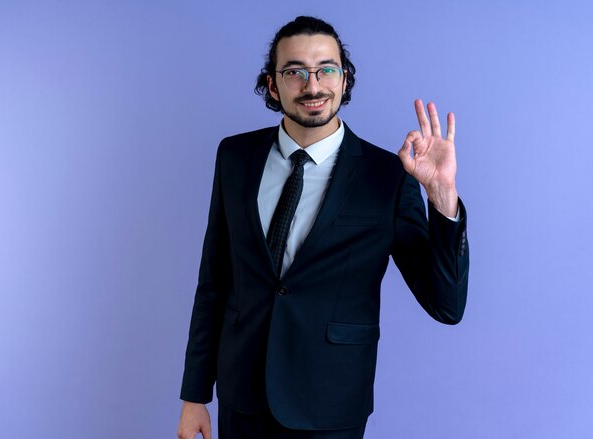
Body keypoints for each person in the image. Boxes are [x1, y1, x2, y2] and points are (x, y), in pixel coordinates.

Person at [177, 16, 469, 439]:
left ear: (344, 80)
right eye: (294, 71)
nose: (312, 85)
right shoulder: (235, 157)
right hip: (242, 397)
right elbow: (214, 283)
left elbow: (446, 305)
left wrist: (442, 197)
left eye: (326, 69)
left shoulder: (387, 176)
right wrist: (194, 396)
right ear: (273, 86)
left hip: (330, 404)